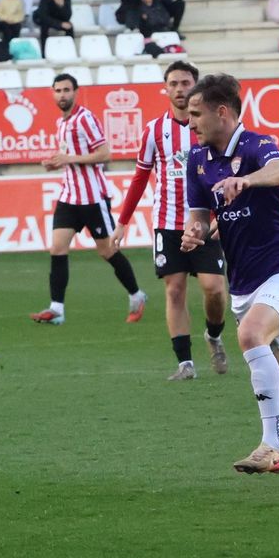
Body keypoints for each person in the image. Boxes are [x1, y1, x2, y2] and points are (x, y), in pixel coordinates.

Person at [180, 73, 279, 476]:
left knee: (251, 335)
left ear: (222, 112)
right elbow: (200, 216)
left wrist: (246, 180)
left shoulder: (256, 145)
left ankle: (272, 446)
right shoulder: (197, 160)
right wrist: (194, 232)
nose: (189, 122)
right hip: (244, 284)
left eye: (196, 113)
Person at [115, 61, 231, 381]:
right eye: (174, 83)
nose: (179, 89)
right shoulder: (154, 130)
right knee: (174, 290)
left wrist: (222, 214)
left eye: (185, 82)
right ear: (165, 89)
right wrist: (123, 221)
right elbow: (140, 177)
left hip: (204, 222)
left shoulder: (211, 127)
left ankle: (214, 335)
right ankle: (185, 364)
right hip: (167, 222)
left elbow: (226, 173)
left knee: (214, 289)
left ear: (196, 87)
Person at [29, 73, 148, 327]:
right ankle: (57, 309)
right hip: (69, 196)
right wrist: (55, 164)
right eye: (58, 90)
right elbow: (72, 157)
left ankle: (137, 295)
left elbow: (105, 154)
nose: (62, 94)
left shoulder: (85, 119)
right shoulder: (62, 123)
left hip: (92, 197)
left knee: (107, 251)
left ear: (75, 92)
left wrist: (68, 159)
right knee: (57, 249)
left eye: (66, 90)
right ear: (53, 94)